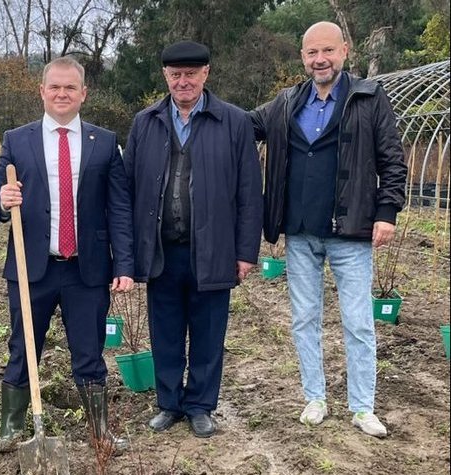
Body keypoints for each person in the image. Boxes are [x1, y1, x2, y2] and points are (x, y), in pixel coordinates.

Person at [249, 21, 407, 438]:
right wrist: (203, 105)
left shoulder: (369, 98)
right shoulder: (287, 102)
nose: (320, 60)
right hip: (300, 232)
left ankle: (362, 407)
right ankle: (315, 397)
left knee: (357, 321)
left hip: (350, 231)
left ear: (345, 51)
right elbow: (244, 125)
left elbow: (393, 159)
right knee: (304, 319)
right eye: (311, 53)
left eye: (327, 51)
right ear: (302, 58)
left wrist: (387, 211)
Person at [0, 56, 134, 453]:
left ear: (84, 93)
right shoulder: (19, 140)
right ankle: (12, 426)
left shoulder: (104, 142)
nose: (62, 94)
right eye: (55, 87)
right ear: (42, 92)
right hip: (32, 268)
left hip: (86, 271)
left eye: (71, 87)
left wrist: (124, 265)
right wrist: (3, 199)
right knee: (22, 347)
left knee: (89, 353)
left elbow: (119, 207)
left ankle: (99, 432)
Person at [123, 40, 262, 438]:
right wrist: (130, 252)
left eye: (190, 74)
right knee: (164, 331)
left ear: (206, 74)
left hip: (214, 249)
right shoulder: (145, 122)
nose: (182, 81)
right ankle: (169, 403)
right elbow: (127, 188)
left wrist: (245, 251)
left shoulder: (234, 122)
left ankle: (200, 404)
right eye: (175, 75)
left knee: (208, 332)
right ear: (165, 77)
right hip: (162, 250)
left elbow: (250, 193)